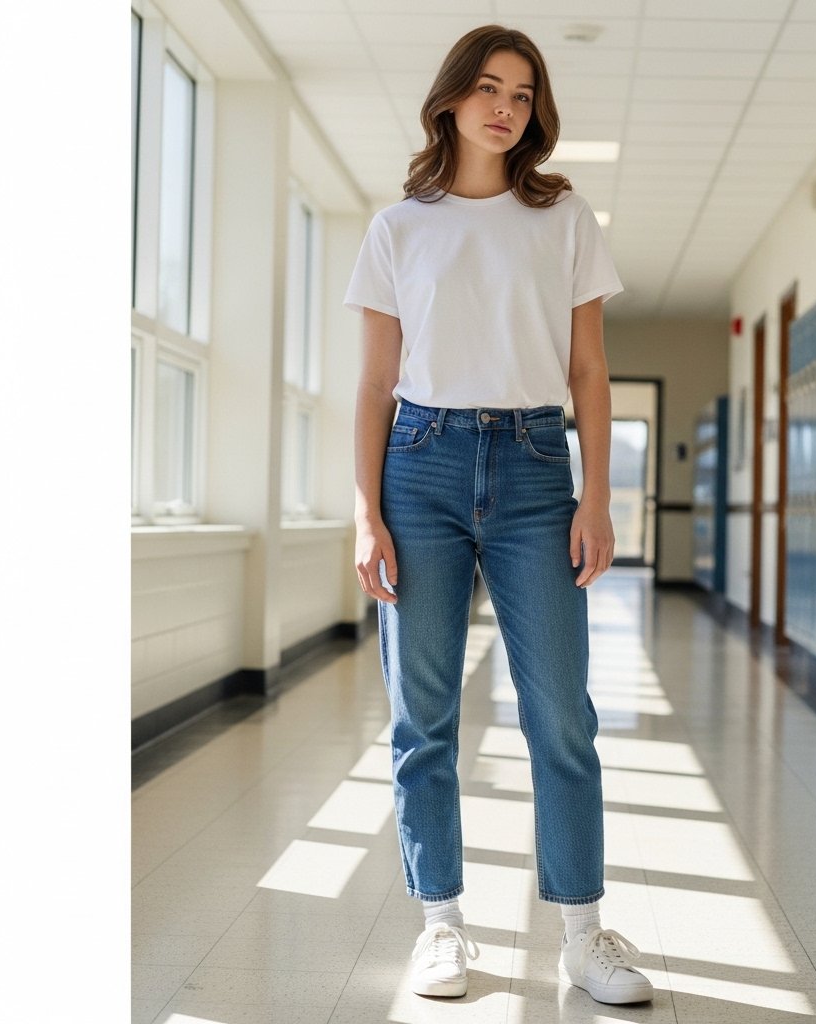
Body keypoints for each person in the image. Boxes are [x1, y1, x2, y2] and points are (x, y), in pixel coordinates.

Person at [344, 24, 654, 1006]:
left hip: (533, 467)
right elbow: (375, 383)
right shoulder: (399, 228)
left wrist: (596, 495)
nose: (505, 107)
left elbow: (588, 370)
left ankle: (582, 935)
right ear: (450, 99)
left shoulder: (562, 219)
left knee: (561, 712)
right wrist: (366, 511)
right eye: (488, 87)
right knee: (423, 716)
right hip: (419, 467)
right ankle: (440, 926)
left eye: (522, 94)